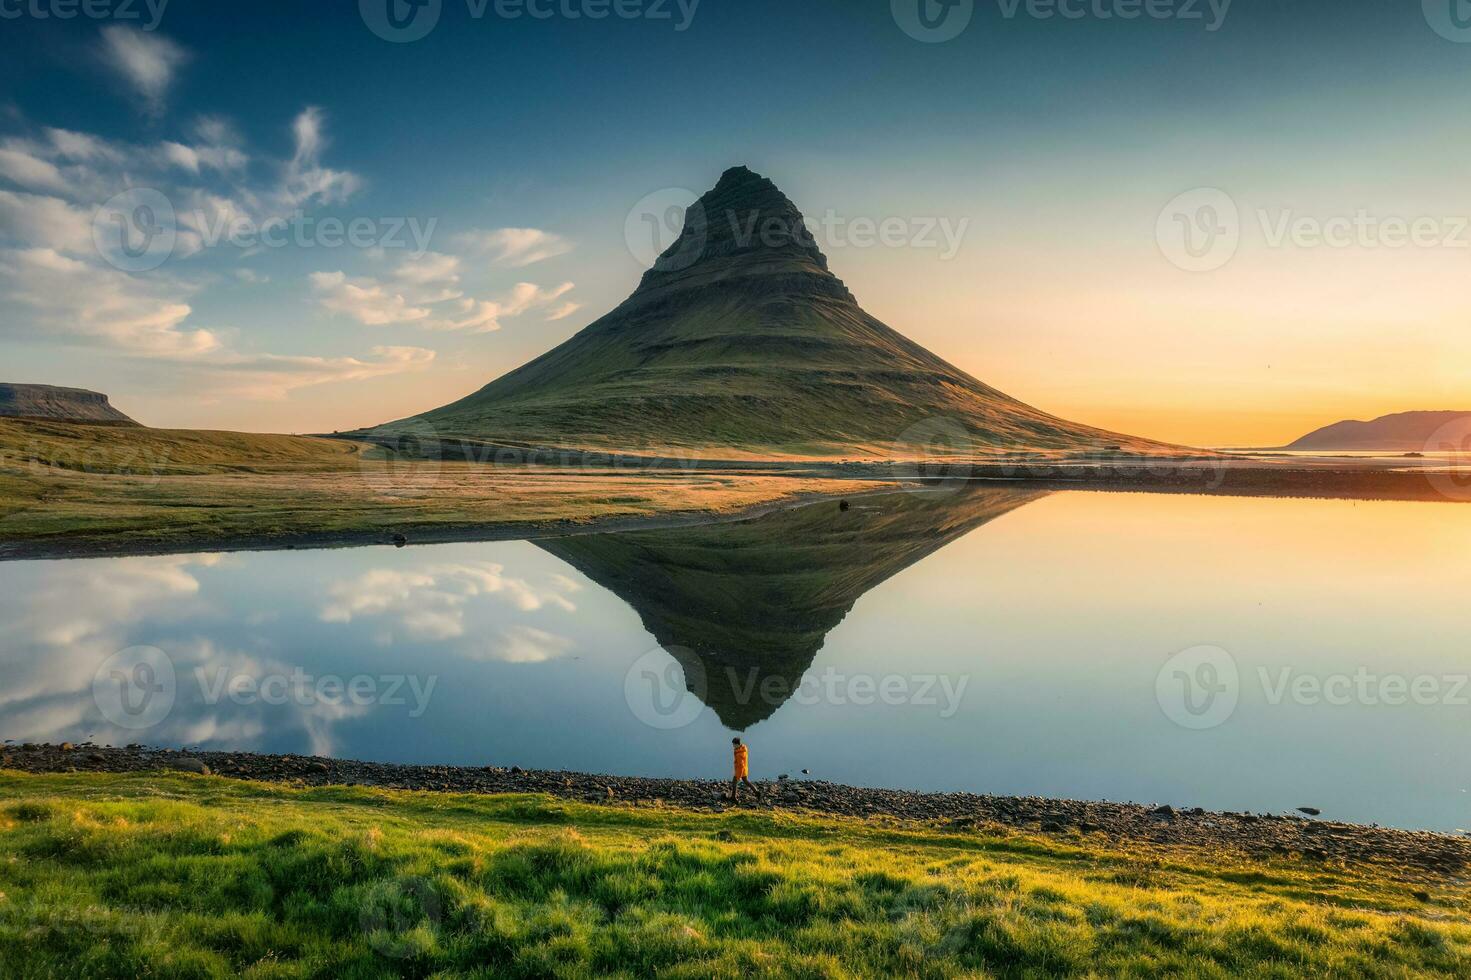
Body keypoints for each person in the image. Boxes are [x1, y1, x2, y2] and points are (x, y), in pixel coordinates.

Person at [728, 736, 761, 802]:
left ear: (737, 744)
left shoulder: (739, 754)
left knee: (734, 783)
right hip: (744, 769)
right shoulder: (743, 748)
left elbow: (741, 765)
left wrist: (738, 776)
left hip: (740, 770)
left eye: (734, 745)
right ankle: (756, 792)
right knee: (746, 781)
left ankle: (733, 798)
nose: (733, 746)